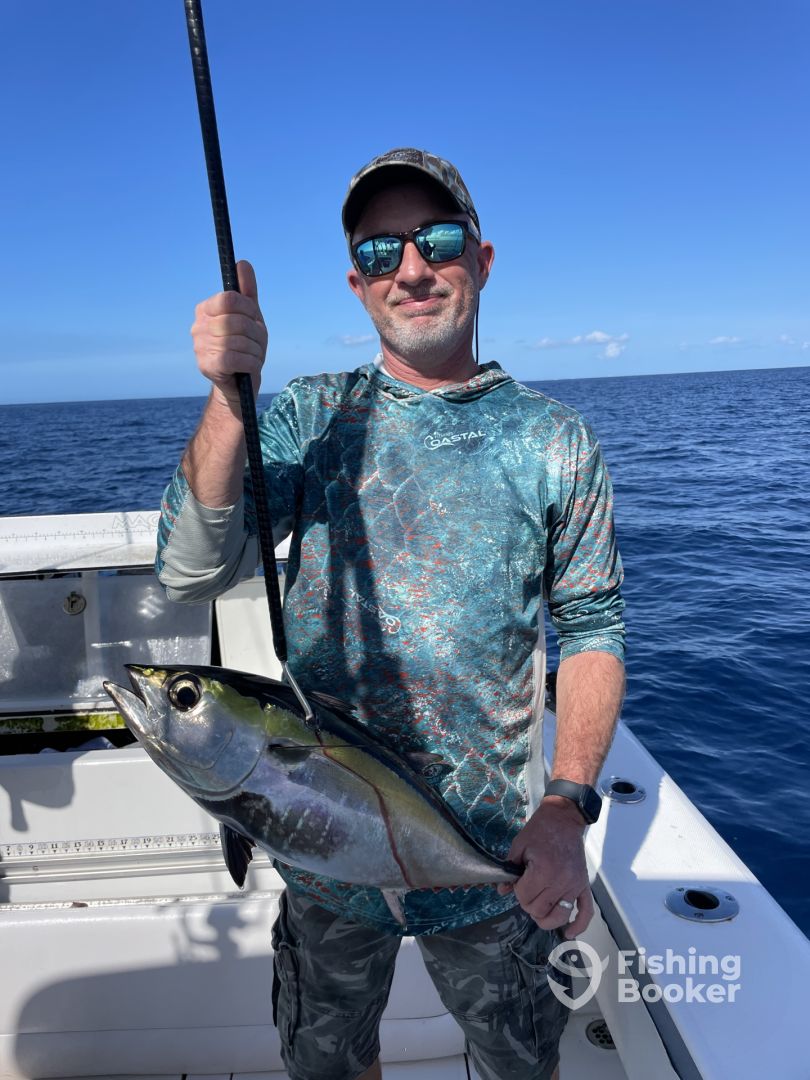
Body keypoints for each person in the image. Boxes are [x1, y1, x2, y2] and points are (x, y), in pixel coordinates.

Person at [156, 147, 626, 1080]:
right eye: (379, 252)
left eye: (437, 241)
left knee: (521, 1065)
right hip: (324, 862)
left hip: (494, 865)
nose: (410, 269)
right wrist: (227, 398)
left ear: (481, 259)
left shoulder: (553, 440)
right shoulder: (309, 417)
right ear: (357, 284)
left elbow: (592, 629)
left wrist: (566, 808)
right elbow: (188, 569)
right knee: (329, 1064)